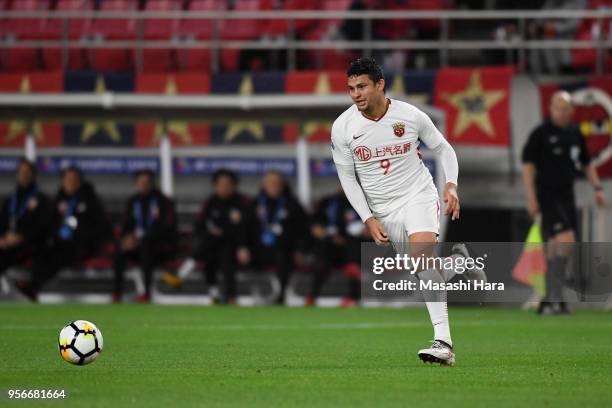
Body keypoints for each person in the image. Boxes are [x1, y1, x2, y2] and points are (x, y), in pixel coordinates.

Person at [330, 57, 485, 366]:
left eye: (362, 86)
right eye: (351, 89)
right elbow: (347, 178)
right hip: (383, 210)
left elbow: (443, 148)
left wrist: (451, 185)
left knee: (423, 261)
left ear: (380, 85)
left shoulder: (410, 115)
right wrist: (369, 218)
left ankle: (444, 343)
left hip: (418, 195)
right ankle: (457, 262)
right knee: (423, 270)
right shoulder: (343, 127)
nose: (356, 94)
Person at [522, 90, 605, 315]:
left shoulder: (575, 133)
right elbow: (528, 167)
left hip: (568, 196)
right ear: (551, 108)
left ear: (572, 110)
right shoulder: (541, 133)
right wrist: (531, 198)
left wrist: (597, 188)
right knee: (567, 241)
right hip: (547, 196)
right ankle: (553, 298)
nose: (561, 112)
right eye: (557, 107)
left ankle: (551, 300)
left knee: (555, 248)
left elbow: (587, 163)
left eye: (565, 108)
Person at [17, 166, 111, 301]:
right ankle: (32, 284)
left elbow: (101, 227)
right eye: (67, 180)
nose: (70, 183)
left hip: (84, 246)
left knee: (62, 252)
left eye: (74, 180)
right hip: (61, 243)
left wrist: (80, 234)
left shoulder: (90, 201)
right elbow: (49, 225)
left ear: (80, 182)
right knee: (43, 249)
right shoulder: (58, 201)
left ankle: (33, 285)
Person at [163, 169, 254, 304]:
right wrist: (211, 231)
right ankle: (213, 293)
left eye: (227, 184)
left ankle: (230, 296)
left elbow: (247, 228)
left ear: (234, 185)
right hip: (213, 243)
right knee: (207, 251)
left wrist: (243, 246)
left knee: (225, 257)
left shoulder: (243, 202)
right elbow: (200, 224)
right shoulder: (211, 201)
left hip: (233, 244)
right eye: (220, 184)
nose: (223, 187)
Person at [113, 170, 177, 303]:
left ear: (152, 183)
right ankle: (116, 293)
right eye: (140, 182)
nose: (143, 185)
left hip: (158, 246)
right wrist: (127, 237)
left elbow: (167, 227)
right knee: (120, 251)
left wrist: (143, 238)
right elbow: (126, 224)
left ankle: (146, 294)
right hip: (136, 245)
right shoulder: (132, 201)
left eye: (146, 182)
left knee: (146, 249)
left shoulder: (163, 202)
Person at [253, 170, 309, 304]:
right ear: (264, 185)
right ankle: (227, 295)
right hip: (258, 249)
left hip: (284, 250)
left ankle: (280, 296)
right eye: (270, 183)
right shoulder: (255, 204)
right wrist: (242, 247)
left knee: (283, 258)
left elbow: (302, 230)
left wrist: (299, 250)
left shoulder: (292, 204)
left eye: (276, 183)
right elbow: (245, 229)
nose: (273, 186)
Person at [306, 189, 367, 307]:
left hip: (354, 244)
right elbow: (315, 222)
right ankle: (312, 296)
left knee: (356, 253)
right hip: (330, 245)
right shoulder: (328, 202)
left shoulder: (366, 202)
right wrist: (317, 228)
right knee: (322, 258)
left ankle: (353, 297)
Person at [0, 158, 50, 278]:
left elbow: (42, 227)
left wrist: (21, 237)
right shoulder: (10, 199)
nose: (24, 175)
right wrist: (2, 238)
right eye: (21, 172)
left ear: (33, 175)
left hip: (30, 245)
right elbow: (1, 222)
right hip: (7, 243)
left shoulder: (42, 200)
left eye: (27, 172)